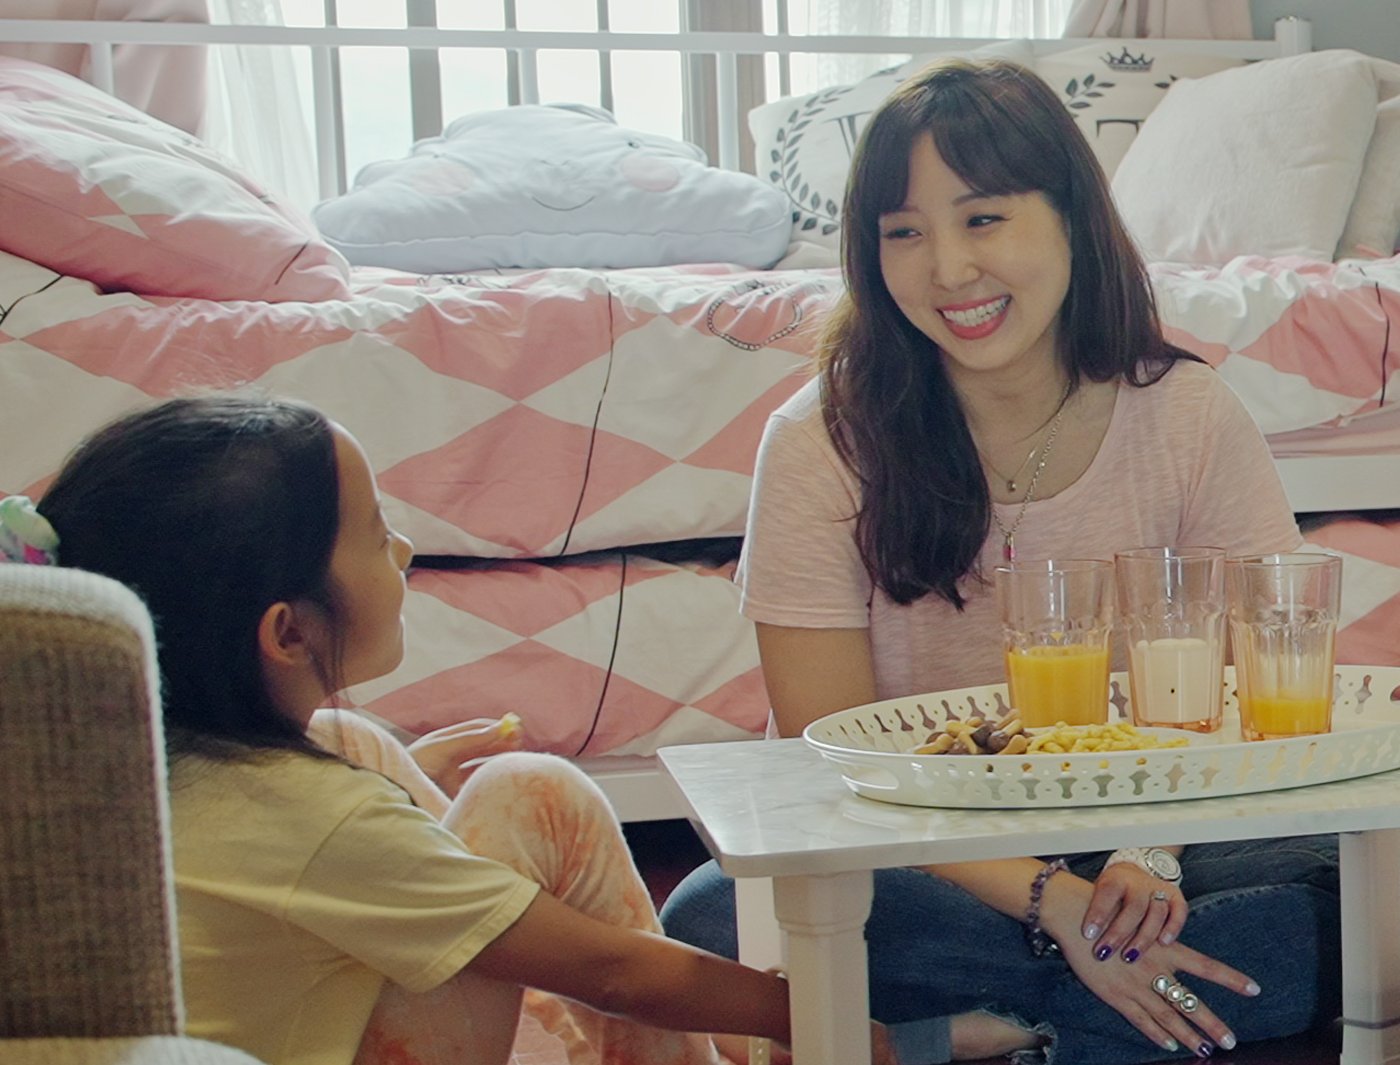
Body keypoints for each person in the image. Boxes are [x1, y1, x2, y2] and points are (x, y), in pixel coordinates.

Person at [660, 56, 1340, 1065]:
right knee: (713, 916)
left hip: (1152, 832)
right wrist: (1052, 901)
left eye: (983, 218)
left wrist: (1145, 855)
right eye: (903, 233)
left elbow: (1250, 697)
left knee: (1359, 875)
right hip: (918, 847)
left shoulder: (1187, 413)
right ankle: (1107, 1020)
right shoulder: (819, 441)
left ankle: (983, 1034)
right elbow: (823, 753)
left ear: (1070, 217)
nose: (947, 269)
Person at [0, 393, 899, 1065]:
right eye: (375, 534)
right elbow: (615, 972)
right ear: (288, 632)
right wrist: (808, 1011)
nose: (402, 552)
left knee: (363, 746)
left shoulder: (117, 766)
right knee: (535, 794)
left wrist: (392, 786)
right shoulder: (319, 820)